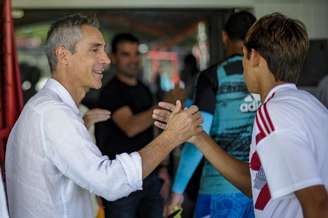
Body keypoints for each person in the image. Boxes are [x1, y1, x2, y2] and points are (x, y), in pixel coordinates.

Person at [5, 14, 202, 218]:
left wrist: (83, 125)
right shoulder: (53, 113)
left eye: (104, 50)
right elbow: (109, 182)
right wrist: (172, 137)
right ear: (64, 56)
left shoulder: (50, 110)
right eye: (94, 50)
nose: (106, 59)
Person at [154, 13, 328, 218]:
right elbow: (254, 184)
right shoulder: (311, 105)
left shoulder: (273, 113)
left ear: (252, 56)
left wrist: (176, 192)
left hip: (217, 195)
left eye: (244, 58)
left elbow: (318, 204)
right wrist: (195, 135)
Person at [166, 11, 258, 218]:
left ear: (224, 37)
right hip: (262, 188)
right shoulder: (267, 75)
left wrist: (177, 190)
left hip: (219, 189)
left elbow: (199, 134)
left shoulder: (213, 76)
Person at [94, 33, 169, 218]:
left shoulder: (144, 89)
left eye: (136, 53)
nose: (133, 60)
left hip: (150, 176)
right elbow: (131, 126)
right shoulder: (110, 91)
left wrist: (164, 169)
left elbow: (155, 130)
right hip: (121, 180)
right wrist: (165, 103)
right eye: (126, 54)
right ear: (113, 57)